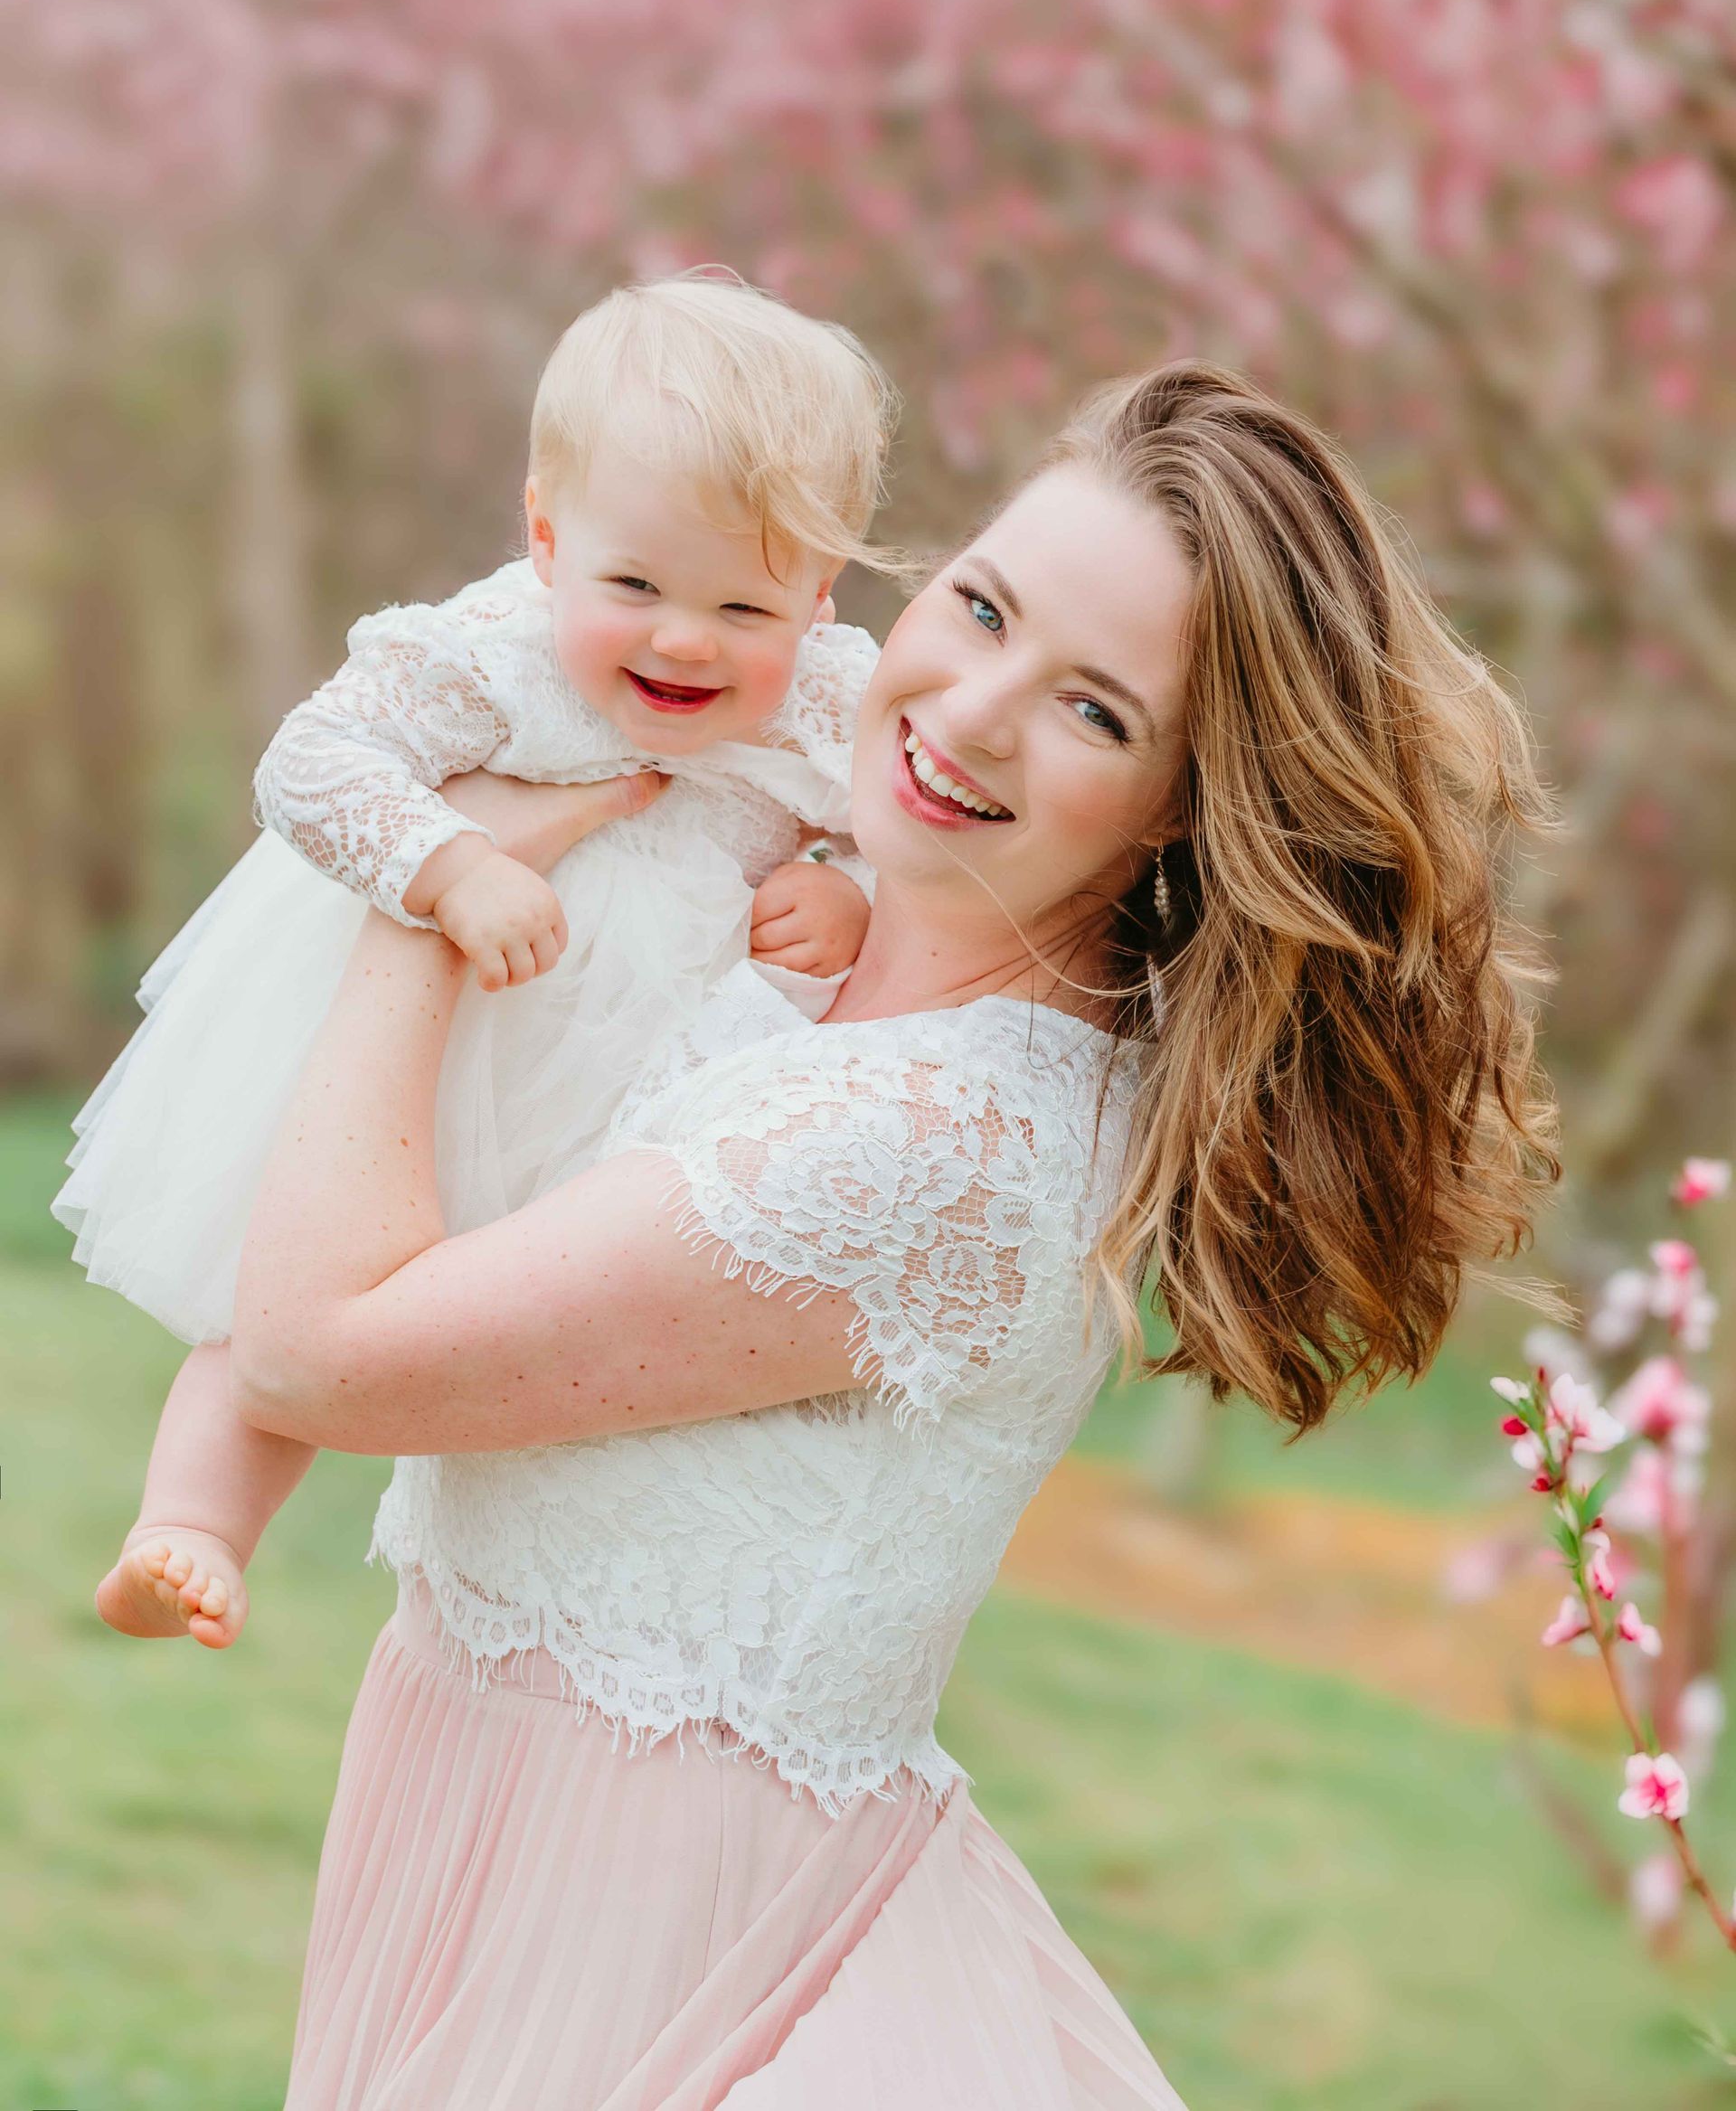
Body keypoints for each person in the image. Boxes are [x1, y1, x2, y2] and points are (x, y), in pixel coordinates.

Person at [230, 362, 1557, 2107]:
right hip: (522, 1854)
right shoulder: (793, 926)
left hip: (674, 1958)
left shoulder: (939, 1146)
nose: (972, 710)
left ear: (1180, 800)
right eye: (982, 607)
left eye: (1095, 710)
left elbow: (318, 1350)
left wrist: (429, 886)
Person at [58, 270, 896, 1653]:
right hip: (430, 1064)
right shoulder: (492, 656)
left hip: (640, 1096)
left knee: (530, 1340)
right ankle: (192, 1525)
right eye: (633, 584)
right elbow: (309, 763)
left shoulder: (832, 702)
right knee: (270, 1304)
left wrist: (845, 891)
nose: (683, 639)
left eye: (744, 610)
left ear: (821, 589)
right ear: (546, 534)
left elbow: (908, 836)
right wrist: (451, 867)